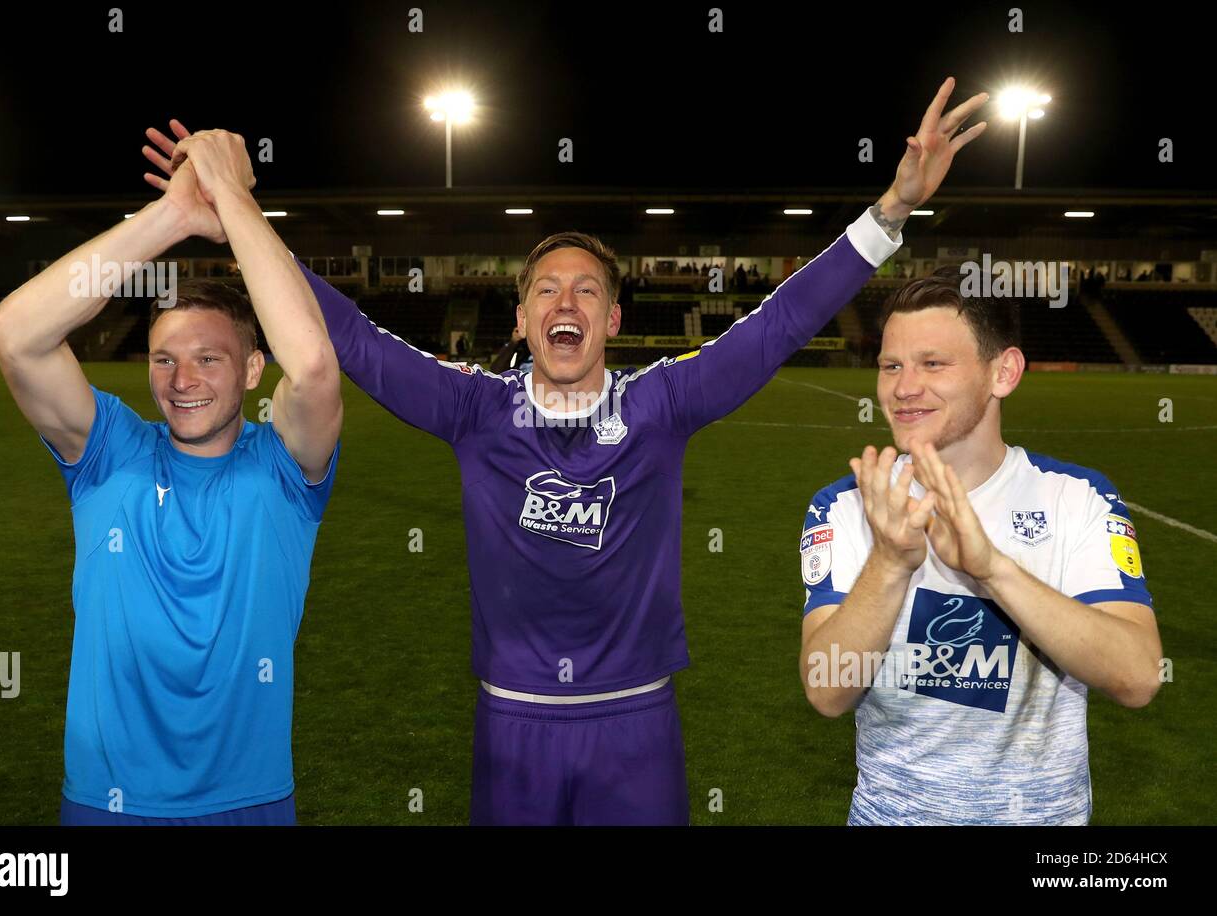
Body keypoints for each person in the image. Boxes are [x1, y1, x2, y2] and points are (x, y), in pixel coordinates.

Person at [144, 77, 987, 826]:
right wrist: (242, 224)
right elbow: (355, 341)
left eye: (587, 288)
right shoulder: (475, 408)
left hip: (638, 725)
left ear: (612, 321)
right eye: (545, 288)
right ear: (521, 321)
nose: (566, 299)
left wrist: (892, 211)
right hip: (512, 723)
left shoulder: (661, 405)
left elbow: (777, 328)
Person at [0, 130, 342, 825]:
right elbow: (16, 334)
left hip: (250, 802)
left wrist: (236, 201)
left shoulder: (285, 467)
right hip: (108, 802)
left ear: (249, 370)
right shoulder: (110, 452)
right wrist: (175, 214)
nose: (182, 381)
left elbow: (313, 368)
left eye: (209, 360)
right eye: (163, 360)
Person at [798, 265, 1163, 825]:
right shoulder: (847, 505)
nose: (903, 387)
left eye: (933, 364)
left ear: (1004, 372)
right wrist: (891, 563)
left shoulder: (1077, 497)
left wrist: (994, 571)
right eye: (891, 365)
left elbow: (1138, 677)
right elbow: (826, 691)